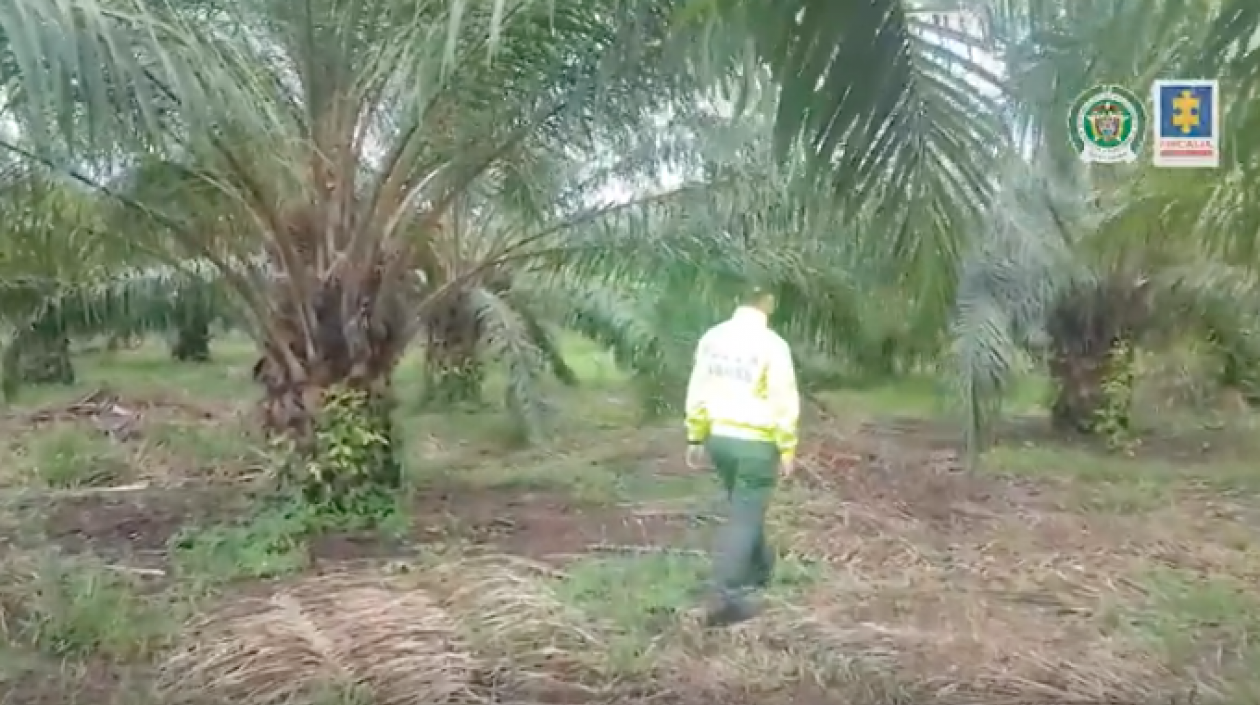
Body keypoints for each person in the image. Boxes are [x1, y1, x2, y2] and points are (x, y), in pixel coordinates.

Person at [684, 285, 800, 626]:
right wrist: (787, 447)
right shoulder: (772, 345)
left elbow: (699, 388)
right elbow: (783, 400)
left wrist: (695, 435)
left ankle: (761, 568)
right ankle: (725, 597)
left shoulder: (713, 338)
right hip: (756, 443)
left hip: (720, 438)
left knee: (745, 506)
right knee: (745, 516)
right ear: (769, 302)